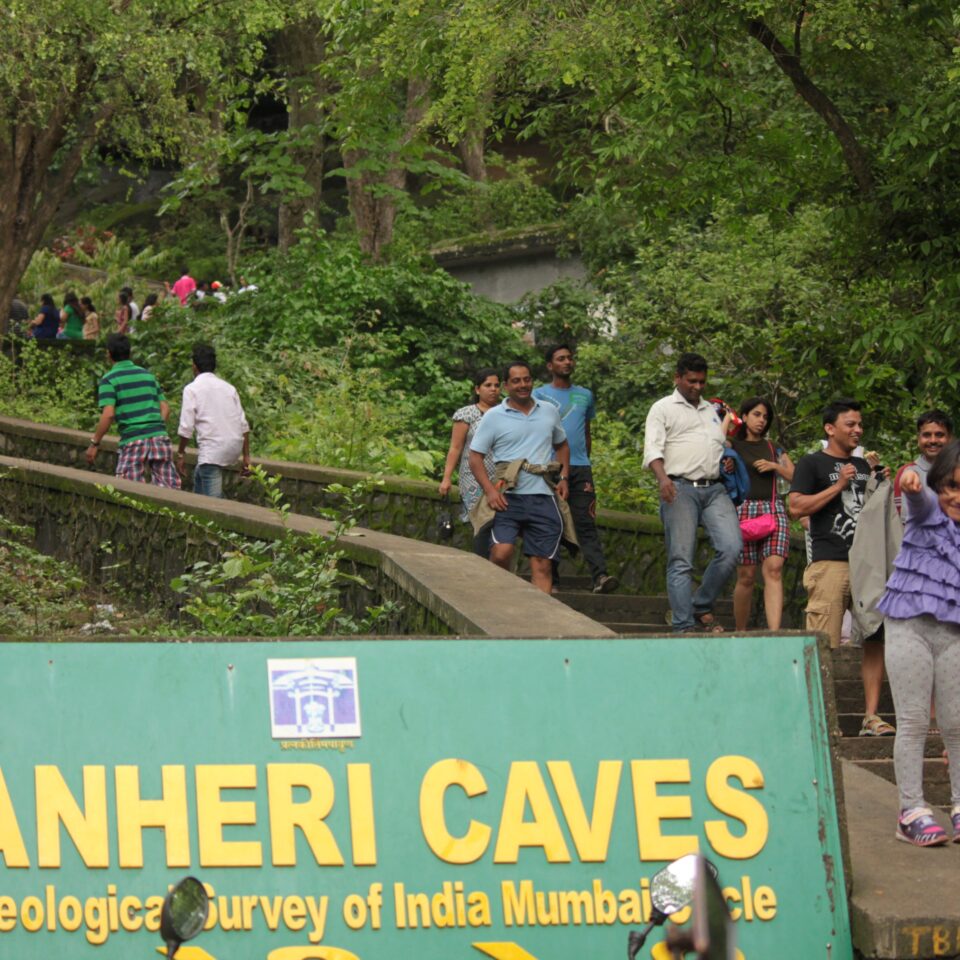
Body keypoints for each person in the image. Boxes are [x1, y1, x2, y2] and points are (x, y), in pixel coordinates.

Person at [789, 398, 893, 736]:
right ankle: (819, 720)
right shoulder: (812, 463)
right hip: (830, 562)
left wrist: (880, 482)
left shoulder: (863, 465)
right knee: (823, 643)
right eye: (850, 424)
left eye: (860, 424)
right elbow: (796, 507)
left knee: (874, 638)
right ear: (830, 428)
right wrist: (837, 486)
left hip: (869, 566)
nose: (857, 430)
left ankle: (871, 717)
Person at [876, 441, 960, 845]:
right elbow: (920, 499)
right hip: (908, 625)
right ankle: (911, 811)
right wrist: (912, 484)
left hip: (953, 633)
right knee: (912, 721)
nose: (956, 496)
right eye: (950, 486)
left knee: (957, 725)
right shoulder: (928, 513)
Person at [643, 352, 742, 633]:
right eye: (692, 381)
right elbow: (652, 448)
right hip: (679, 487)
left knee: (731, 548)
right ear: (678, 378)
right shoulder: (662, 408)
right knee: (681, 559)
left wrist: (726, 459)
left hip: (714, 488)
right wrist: (663, 479)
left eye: (702, 382)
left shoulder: (711, 410)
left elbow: (715, 443)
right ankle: (683, 625)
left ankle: (701, 604)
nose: (697, 387)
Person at [468, 360, 571, 594]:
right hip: (508, 496)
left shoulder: (549, 411)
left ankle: (538, 615)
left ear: (532, 381)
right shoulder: (494, 416)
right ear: (506, 386)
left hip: (543, 496)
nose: (523, 385)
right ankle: (503, 599)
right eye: (516, 381)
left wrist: (564, 477)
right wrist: (490, 491)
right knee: (501, 552)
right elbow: (475, 457)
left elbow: (562, 445)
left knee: (542, 564)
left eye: (526, 379)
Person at [533, 343, 618, 594]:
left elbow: (586, 432)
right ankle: (552, 580)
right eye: (561, 359)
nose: (567, 362)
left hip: (580, 467)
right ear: (550, 365)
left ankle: (600, 576)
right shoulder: (538, 394)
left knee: (586, 522)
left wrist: (584, 461)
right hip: (549, 467)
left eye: (569, 358)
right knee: (551, 522)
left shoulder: (585, 395)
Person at [730, 397, 794, 630]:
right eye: (756, 414)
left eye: (765, 417)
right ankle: (740, 632)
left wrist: (775, 466)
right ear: (744, 416)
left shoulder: (773, 447)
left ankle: (774, 632)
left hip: (773, 509)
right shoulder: (732, 445)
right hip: (743, 509)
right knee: (746, 575)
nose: (761, 420)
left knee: (774, 569)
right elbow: (714, 444)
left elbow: (795, 476)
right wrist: (727, 419)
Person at [86, 333, 181, 489]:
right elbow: (165, 408)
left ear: (109, 354)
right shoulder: (148, 376)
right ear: (129, 352)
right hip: (159, 436)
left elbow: (108, 414)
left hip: (133, 439)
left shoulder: (109, 379)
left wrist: (95, 443)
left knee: (128, 489)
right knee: (169, 488)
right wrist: (155, 427)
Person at [438, 368, 501, 555]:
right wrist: (446, 478)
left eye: (497, 385)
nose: (493, 389)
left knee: (497, 520)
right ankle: (481, 560)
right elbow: (455, 447)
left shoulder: (506, 412)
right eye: (488, 385)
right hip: (472, 476)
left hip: (499, 475)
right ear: (477, 389)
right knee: (480, 522)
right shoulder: (466, 414)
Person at [176, 343, 251, 498]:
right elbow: (243, 425)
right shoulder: (229, 388)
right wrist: (246, 457)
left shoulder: (192, 389)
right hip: (234, 446)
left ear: (194, 366)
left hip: (213, 451)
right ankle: (196, 506)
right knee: (200, 473)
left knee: (214, 501)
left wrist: (181, 454)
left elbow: (186, 428)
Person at [894, 410, 954, 519]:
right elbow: (898, 519)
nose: (933, 440)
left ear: (949, 438)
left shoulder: (957, 471)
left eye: (939, 435)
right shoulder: (906, 472)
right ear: (919, 439)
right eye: (927, 435)